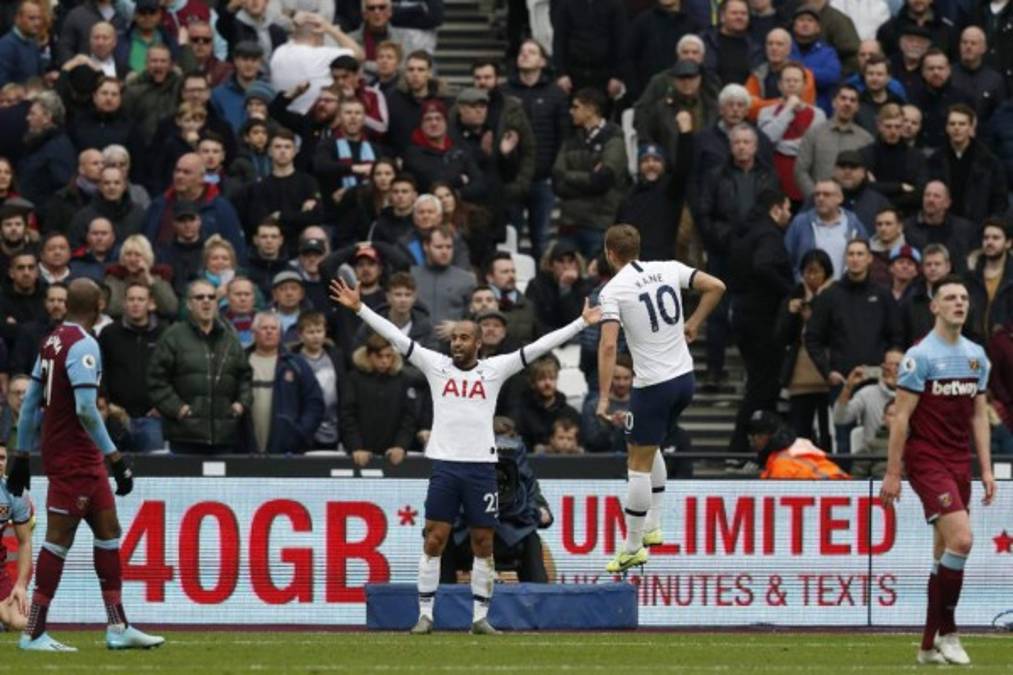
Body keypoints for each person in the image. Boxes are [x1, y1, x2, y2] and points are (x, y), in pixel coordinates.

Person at [329, 267, 601, 635]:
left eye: (464, 338)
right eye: (454, 338)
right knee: (435, 538)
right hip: (445, 467)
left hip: (481, 469)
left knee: (483, 541)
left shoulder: (495, 369)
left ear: (478, 343)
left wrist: (581, 323)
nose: (456, 343)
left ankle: (479, 618)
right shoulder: (435, 366)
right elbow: (394, 336)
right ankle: (425, 614)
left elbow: (540, 346)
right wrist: (360, 308)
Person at [9, 277, 163, 651]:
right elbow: (85, 409)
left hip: (80, 458)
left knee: (109, 532)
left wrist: (21, 453)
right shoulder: (84, 345)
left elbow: (30, 402)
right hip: (74, 458)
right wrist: (116, 458)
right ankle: (33, 631)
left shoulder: (52, 341)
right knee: (58, 541)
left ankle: (117, 625)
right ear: (98, 306)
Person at [595, 224, 725, 573]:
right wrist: (695, 322)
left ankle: (633, 546)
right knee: (648, 447)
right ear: (638, 248)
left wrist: (603, 398)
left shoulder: (613, 290)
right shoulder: (667, 268)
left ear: (610, 253)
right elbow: (716, 287)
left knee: (636, 464)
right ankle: (652, 525)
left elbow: (608, 345)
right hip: (684, 380)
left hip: (652, 386)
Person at [880, 274, 994, 666]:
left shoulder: (977, 356)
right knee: (962, 539)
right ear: (935, 307)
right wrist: (893, 472)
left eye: (963, 297)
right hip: (927, 459)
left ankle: (928, 646)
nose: (959, 303)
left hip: (960, 459)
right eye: (950, 297)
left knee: (945, 551)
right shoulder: (920, 357)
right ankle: (950, 632)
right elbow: (901, 419)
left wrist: (988, 470)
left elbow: (979, 415)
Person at [147, 278, 252, 454]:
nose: (206, 301)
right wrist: (179, 409)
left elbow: (245, 378)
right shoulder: (173, 336)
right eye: (200, 297)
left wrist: (241, 404)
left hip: (224, 437)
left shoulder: (230, 338)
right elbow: (156, 380)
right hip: (184, 436)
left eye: (211, 297)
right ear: (189, 304)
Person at [552, 88, 629, 259]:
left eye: (576, 107)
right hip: (569, 224)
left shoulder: (613, 138)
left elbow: (602, 180)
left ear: (591, 109)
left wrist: (570, 176)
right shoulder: (571, 139)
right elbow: (557, 181)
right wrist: (588, 177)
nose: (571, 111)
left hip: (598, 224)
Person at [98, 281, 166, 452]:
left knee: (154, 474)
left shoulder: (165, 333)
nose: (135, 303)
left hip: (152, 419)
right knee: (111, 471)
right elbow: (100, 371)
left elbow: (174, 372)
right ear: (124, 303)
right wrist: (105, 401)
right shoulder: (108, 334)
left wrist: (164, 405)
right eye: (131, 299)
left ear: (150, 303)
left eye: (141, 299)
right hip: (115, 416)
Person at [245, 311, 323, 454]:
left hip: (286, 451)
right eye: (264, 328)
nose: (269, 332)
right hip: (245, 449)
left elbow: (314, 403)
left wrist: (298, 434)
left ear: (280, 334)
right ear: (254, 333)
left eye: (273, 328)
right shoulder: (241, 363)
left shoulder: (296, 364)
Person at [831, 348, 902, 457]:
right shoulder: (867, 393)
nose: (893, 369)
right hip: (874, 457)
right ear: (882, 367)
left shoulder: (914, 396)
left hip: (904, 456)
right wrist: (848, 387)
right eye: (889, 365)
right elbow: (840, 419)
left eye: (898, 365)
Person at [0, 443, 31, 630]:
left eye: (2, 458)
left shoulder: (14, 493)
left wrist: (20, 585)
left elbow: (25, 542)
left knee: (22, 622)